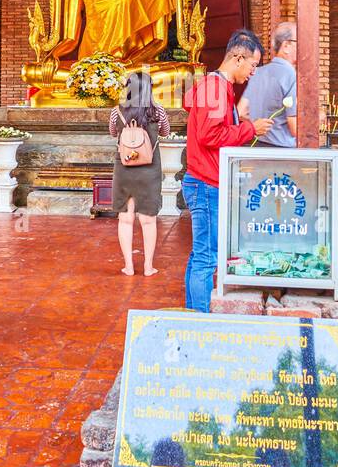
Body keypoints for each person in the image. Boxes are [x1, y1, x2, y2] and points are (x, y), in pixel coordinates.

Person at [181, 28, 272, 312]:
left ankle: (193, 312)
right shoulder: (215, 88)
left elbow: (190, 105)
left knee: (202, 255)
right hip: (206, 182)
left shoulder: (214, 86)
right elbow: (210, 135)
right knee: (207, 258)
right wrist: (248, 129)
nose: (253, 73)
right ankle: (198, 319)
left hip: (204, 180)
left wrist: (236, 123)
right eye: (253, 66)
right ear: (237, 58)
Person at [108, 71, 171, 277]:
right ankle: (148, 266)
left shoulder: (117, 111)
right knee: (148, 220)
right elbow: (165, 132)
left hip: (124, 168)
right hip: (149, 170)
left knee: (125, 219)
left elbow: (113, 133)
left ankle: (128, 266)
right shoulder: (158, 111)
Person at [239, 21, 298, 147]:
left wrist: (260, 126)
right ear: (286, 46)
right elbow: (294, 128)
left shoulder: (258, 72)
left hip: (257, 146)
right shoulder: (291, 75)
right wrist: (317, 119)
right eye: (298, 42)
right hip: (282, 153)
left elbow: (241, 112)